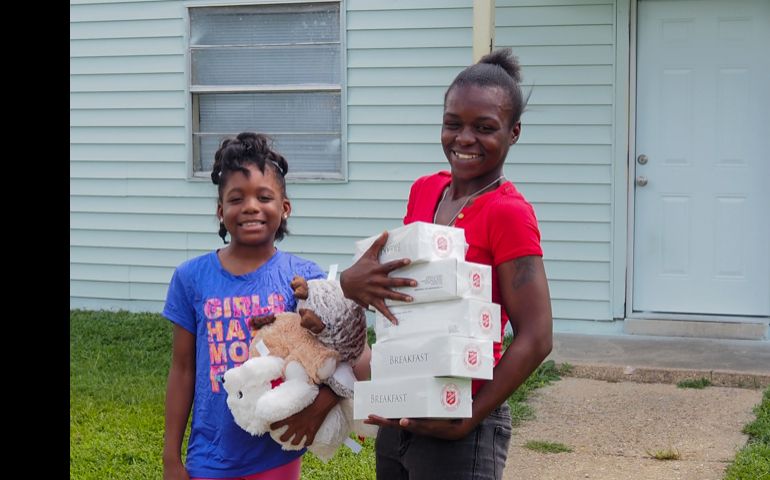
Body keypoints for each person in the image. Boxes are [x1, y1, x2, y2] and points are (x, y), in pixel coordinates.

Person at [340, 48, 553, 479]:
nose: (464, 139)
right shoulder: (425, 191)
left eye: (485, 128)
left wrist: (468, 416)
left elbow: (536, 336)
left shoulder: (508, 213)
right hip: (402, 412)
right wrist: (353, 282)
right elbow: (407, 292)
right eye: (453, 124)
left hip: (463, 422)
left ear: (514, 132)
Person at [162, 132, 345, 480]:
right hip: (210, 452)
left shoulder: (304, 277)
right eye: (236, 198)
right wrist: (171, 455)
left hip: (275, 452)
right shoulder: (191, 278)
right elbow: (183, 369)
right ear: (220, 211)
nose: (250, 207)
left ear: (285, 207)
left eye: (264, 197)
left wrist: (318, 408)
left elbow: (336, 355)